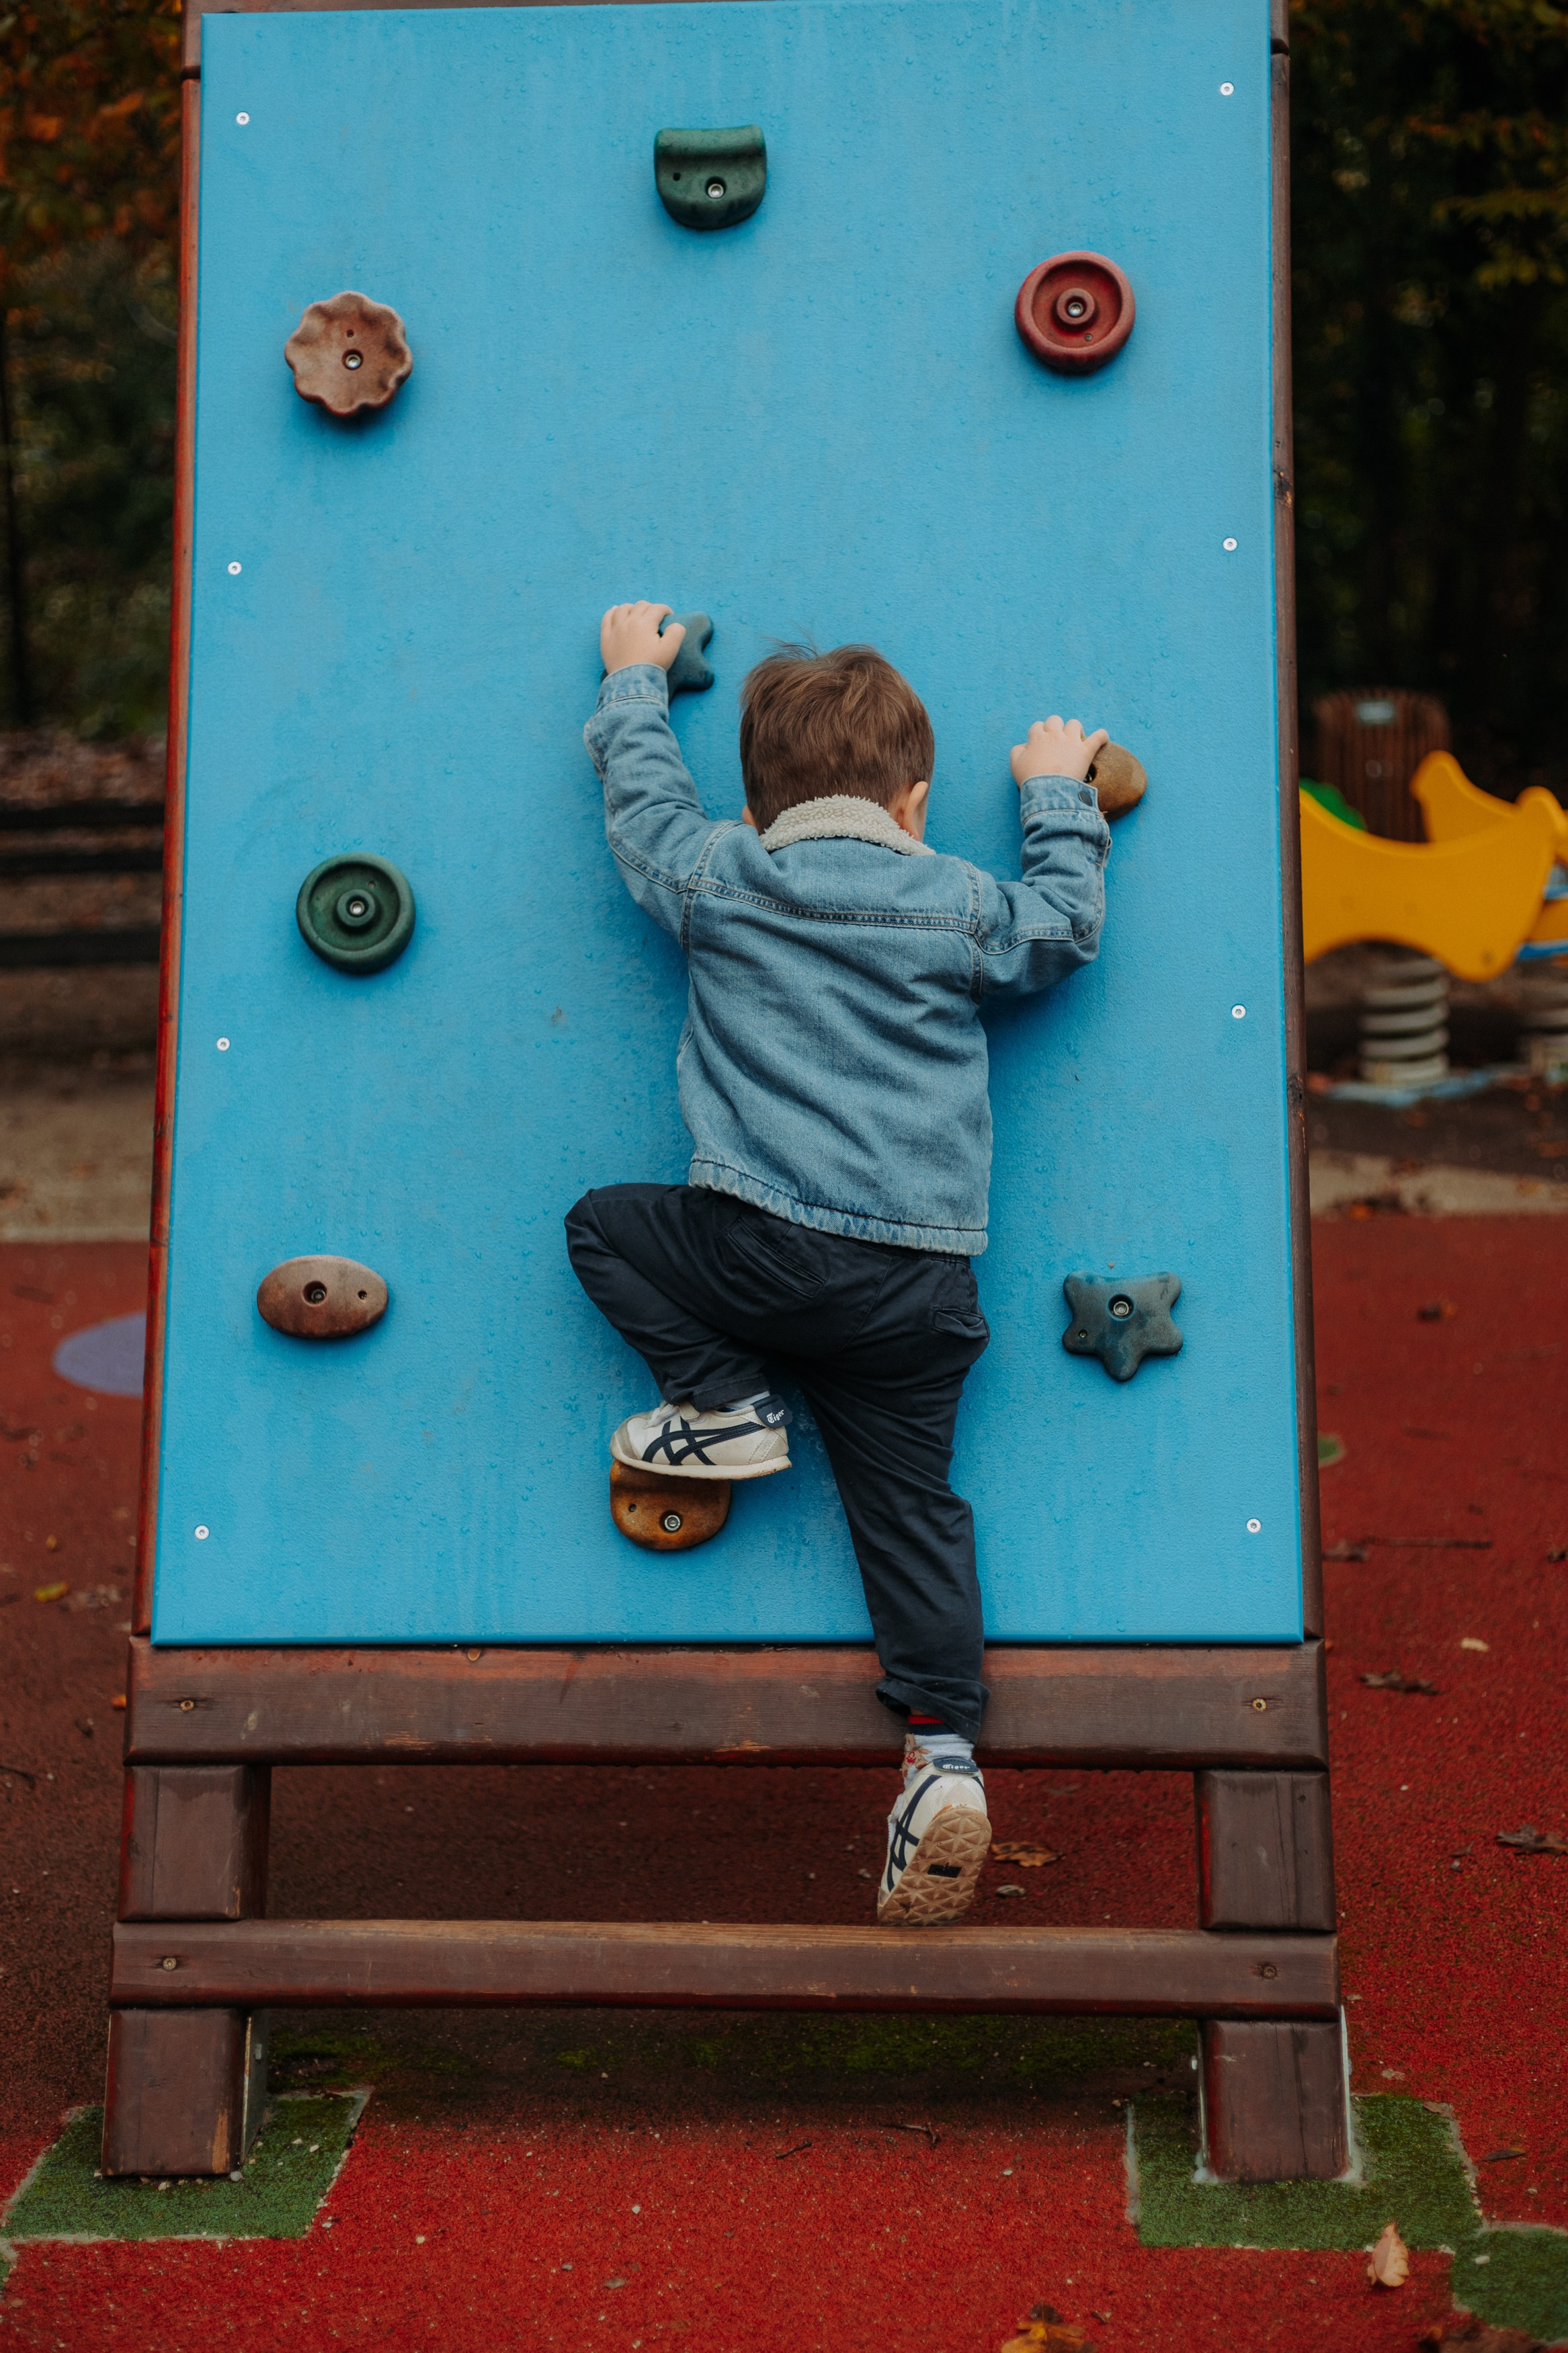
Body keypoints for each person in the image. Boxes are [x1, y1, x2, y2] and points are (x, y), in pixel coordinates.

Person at [565, 601, 1142, 1924]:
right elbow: (1063, 926)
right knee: (912, 1512)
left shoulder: (720, 873)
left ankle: (725, 1404)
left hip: (760, 1251)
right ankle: (941, 1751)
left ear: (756, 801)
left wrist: (634, 686)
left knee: (604, 1224)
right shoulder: (957, 902)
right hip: (917, 1290)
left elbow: (642, 813)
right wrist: (1057, 793)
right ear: (916, 802)